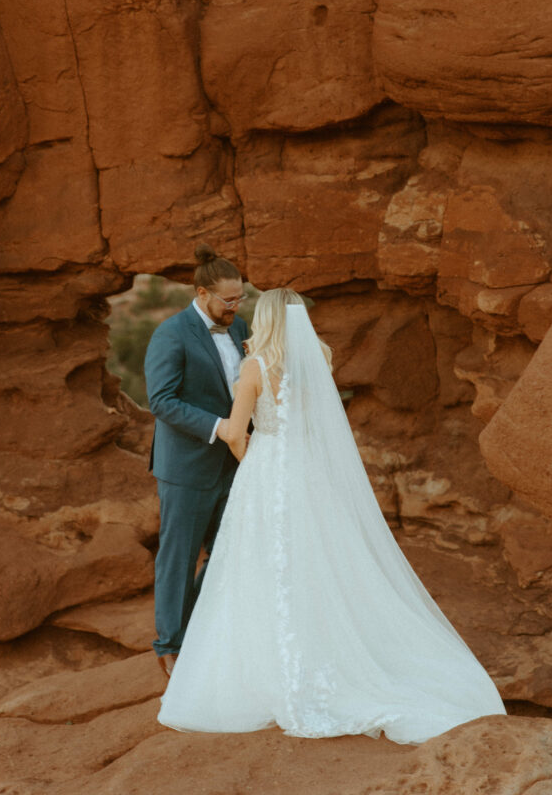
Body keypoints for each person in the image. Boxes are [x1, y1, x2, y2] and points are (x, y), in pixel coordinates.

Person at [158, 288, 506, 745]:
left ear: (265, 320)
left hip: (267, 475)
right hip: (309, 474)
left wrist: (258, 465)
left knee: (260, 568)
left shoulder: (254, 366)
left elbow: (237, 433)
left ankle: (267, 667)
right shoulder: (315, 359)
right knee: (316, 564)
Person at [144, 245, 250, 680]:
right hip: (187, 467)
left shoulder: (239, 326)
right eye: (228, 300)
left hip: (236, 463)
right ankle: (169, 646)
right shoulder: (171, 333)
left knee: (228, 551)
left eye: (240, 298)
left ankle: (199, 630)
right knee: (179, 556)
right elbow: (162, 401)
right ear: (202, 293)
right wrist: (220, 427)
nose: (235, 307)